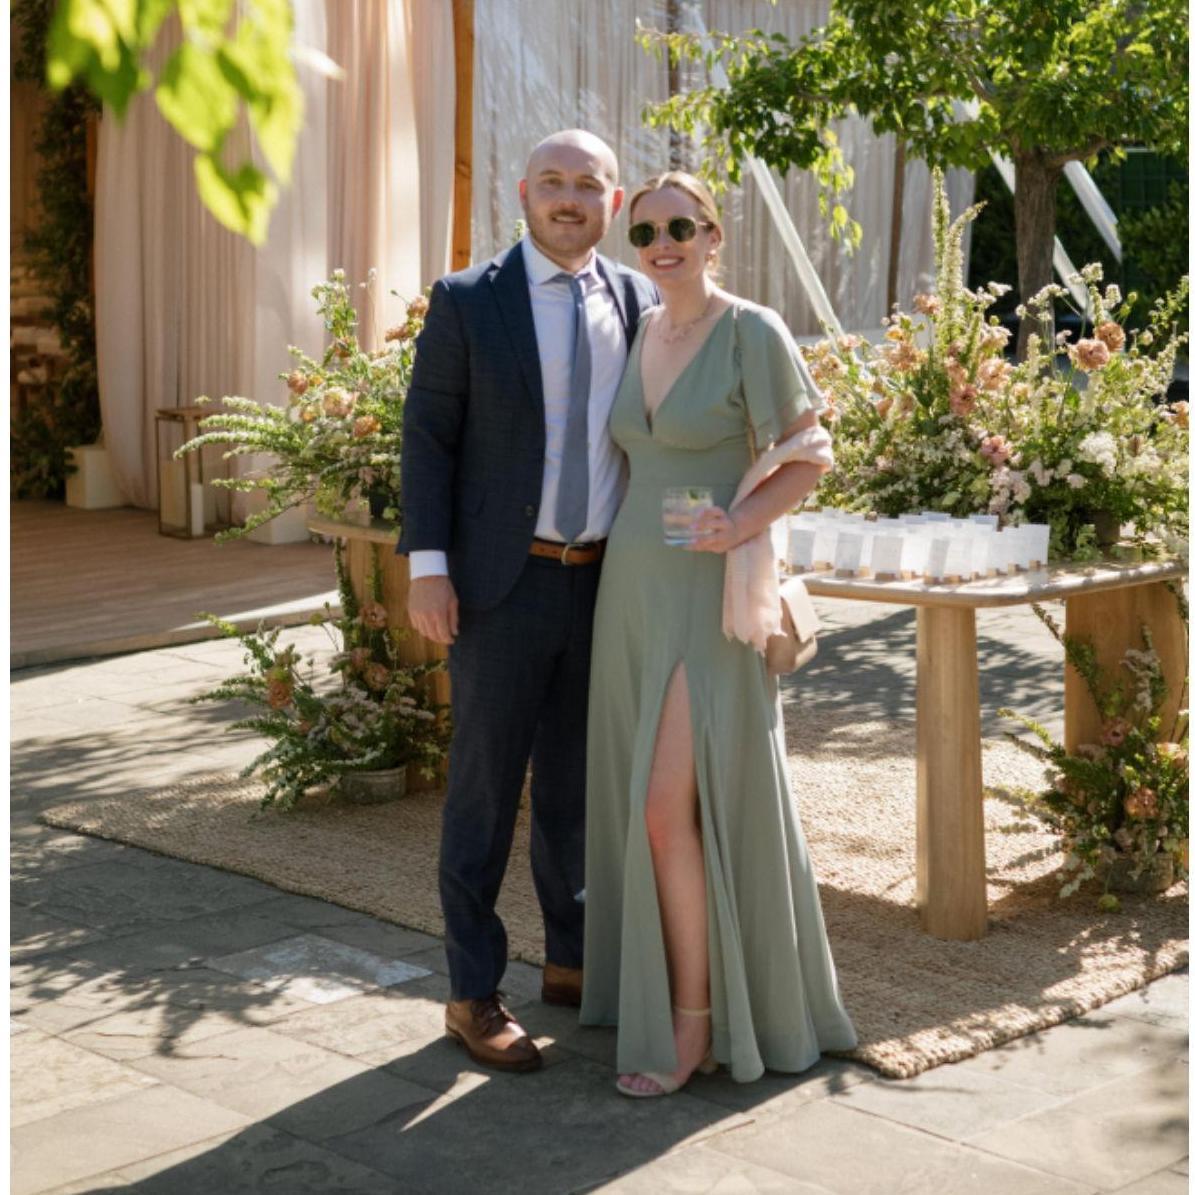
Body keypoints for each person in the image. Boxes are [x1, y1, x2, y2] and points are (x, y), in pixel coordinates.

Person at [579, 171, 857, 1096]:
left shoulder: (750, 330)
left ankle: (695, 1024)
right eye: (645, 231)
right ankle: (661, 995)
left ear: (712, 235)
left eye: (679, 227)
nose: (662, 244)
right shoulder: (638, 328)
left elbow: (810, 454)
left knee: (669, 810)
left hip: (707, 593)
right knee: (644, 808)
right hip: (629, 588)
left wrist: (738, 525)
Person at [398, 130, 657, 1073]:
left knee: (578, 788)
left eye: (587, 184)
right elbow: (427, 435)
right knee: (484, 790)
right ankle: (471, 991)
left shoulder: (637, 301)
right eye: (552, 180)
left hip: (605, 582)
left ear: (612, 202)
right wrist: (428, 565)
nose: (568, 197)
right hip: (496, 587)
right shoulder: (469, 299)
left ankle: (571, 958)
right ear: (521, 191)